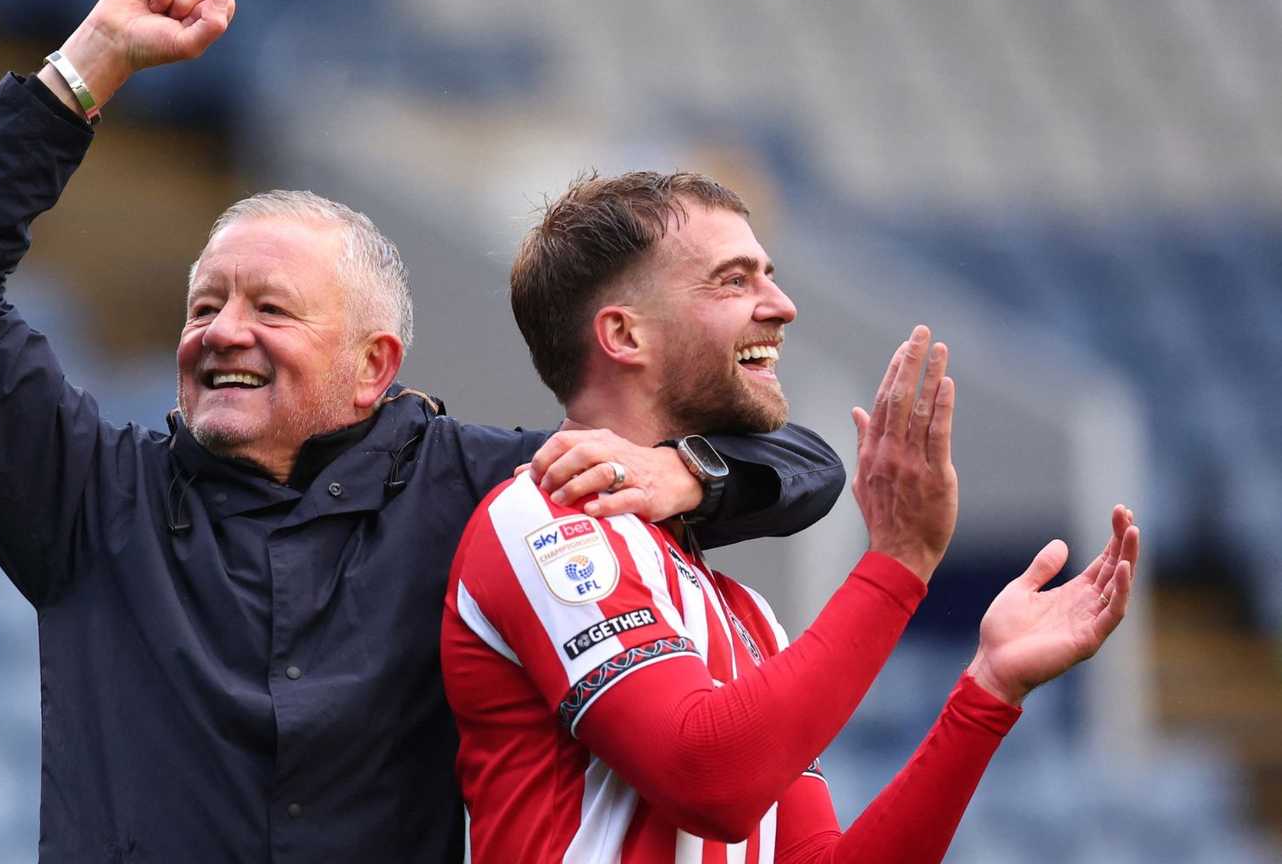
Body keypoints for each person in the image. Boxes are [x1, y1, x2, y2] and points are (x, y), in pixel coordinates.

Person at [0, 0, 848, 864]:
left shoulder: (478, 488)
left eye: (268, 308)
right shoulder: (86, 498)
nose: (220, 331)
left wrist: (692, 470)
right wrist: (89, 65)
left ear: (375, 364)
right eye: (204, 305)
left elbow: (805, 461)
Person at [441, 172, 1141, 863]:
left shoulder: (744, 613)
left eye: (768, 275)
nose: (781, 305)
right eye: (734, 280)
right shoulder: (544, 520)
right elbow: (708, 779)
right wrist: (895, 567)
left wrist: (988, 689)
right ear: (625, 335)